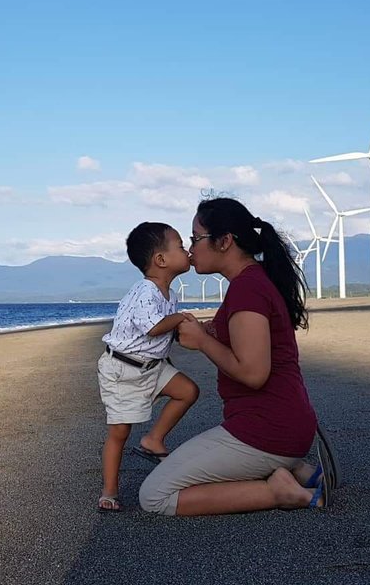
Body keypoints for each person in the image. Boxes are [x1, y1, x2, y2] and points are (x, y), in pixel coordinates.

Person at [138, 197, 326, 516]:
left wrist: (202, 341)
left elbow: (254, 373)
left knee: (154, 495)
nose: (191, 249)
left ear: (224, 241)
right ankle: (295, 469)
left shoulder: (247, 289)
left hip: (267, 430)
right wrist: (214, 332)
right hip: (282, 426)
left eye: (196, 239)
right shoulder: (252, 283)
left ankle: (277, 491)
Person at [97, 222, 200, 512]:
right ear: (161, 260)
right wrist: (181, 319)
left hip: (153, 367)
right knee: (119, 432)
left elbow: (163, 333)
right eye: (181, 245)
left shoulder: (170, 295)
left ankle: (154, 439)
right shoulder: (146, 291)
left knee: (188, 391)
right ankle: (109, 491)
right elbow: (154, 327)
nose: (187, 250)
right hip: (123, 371)